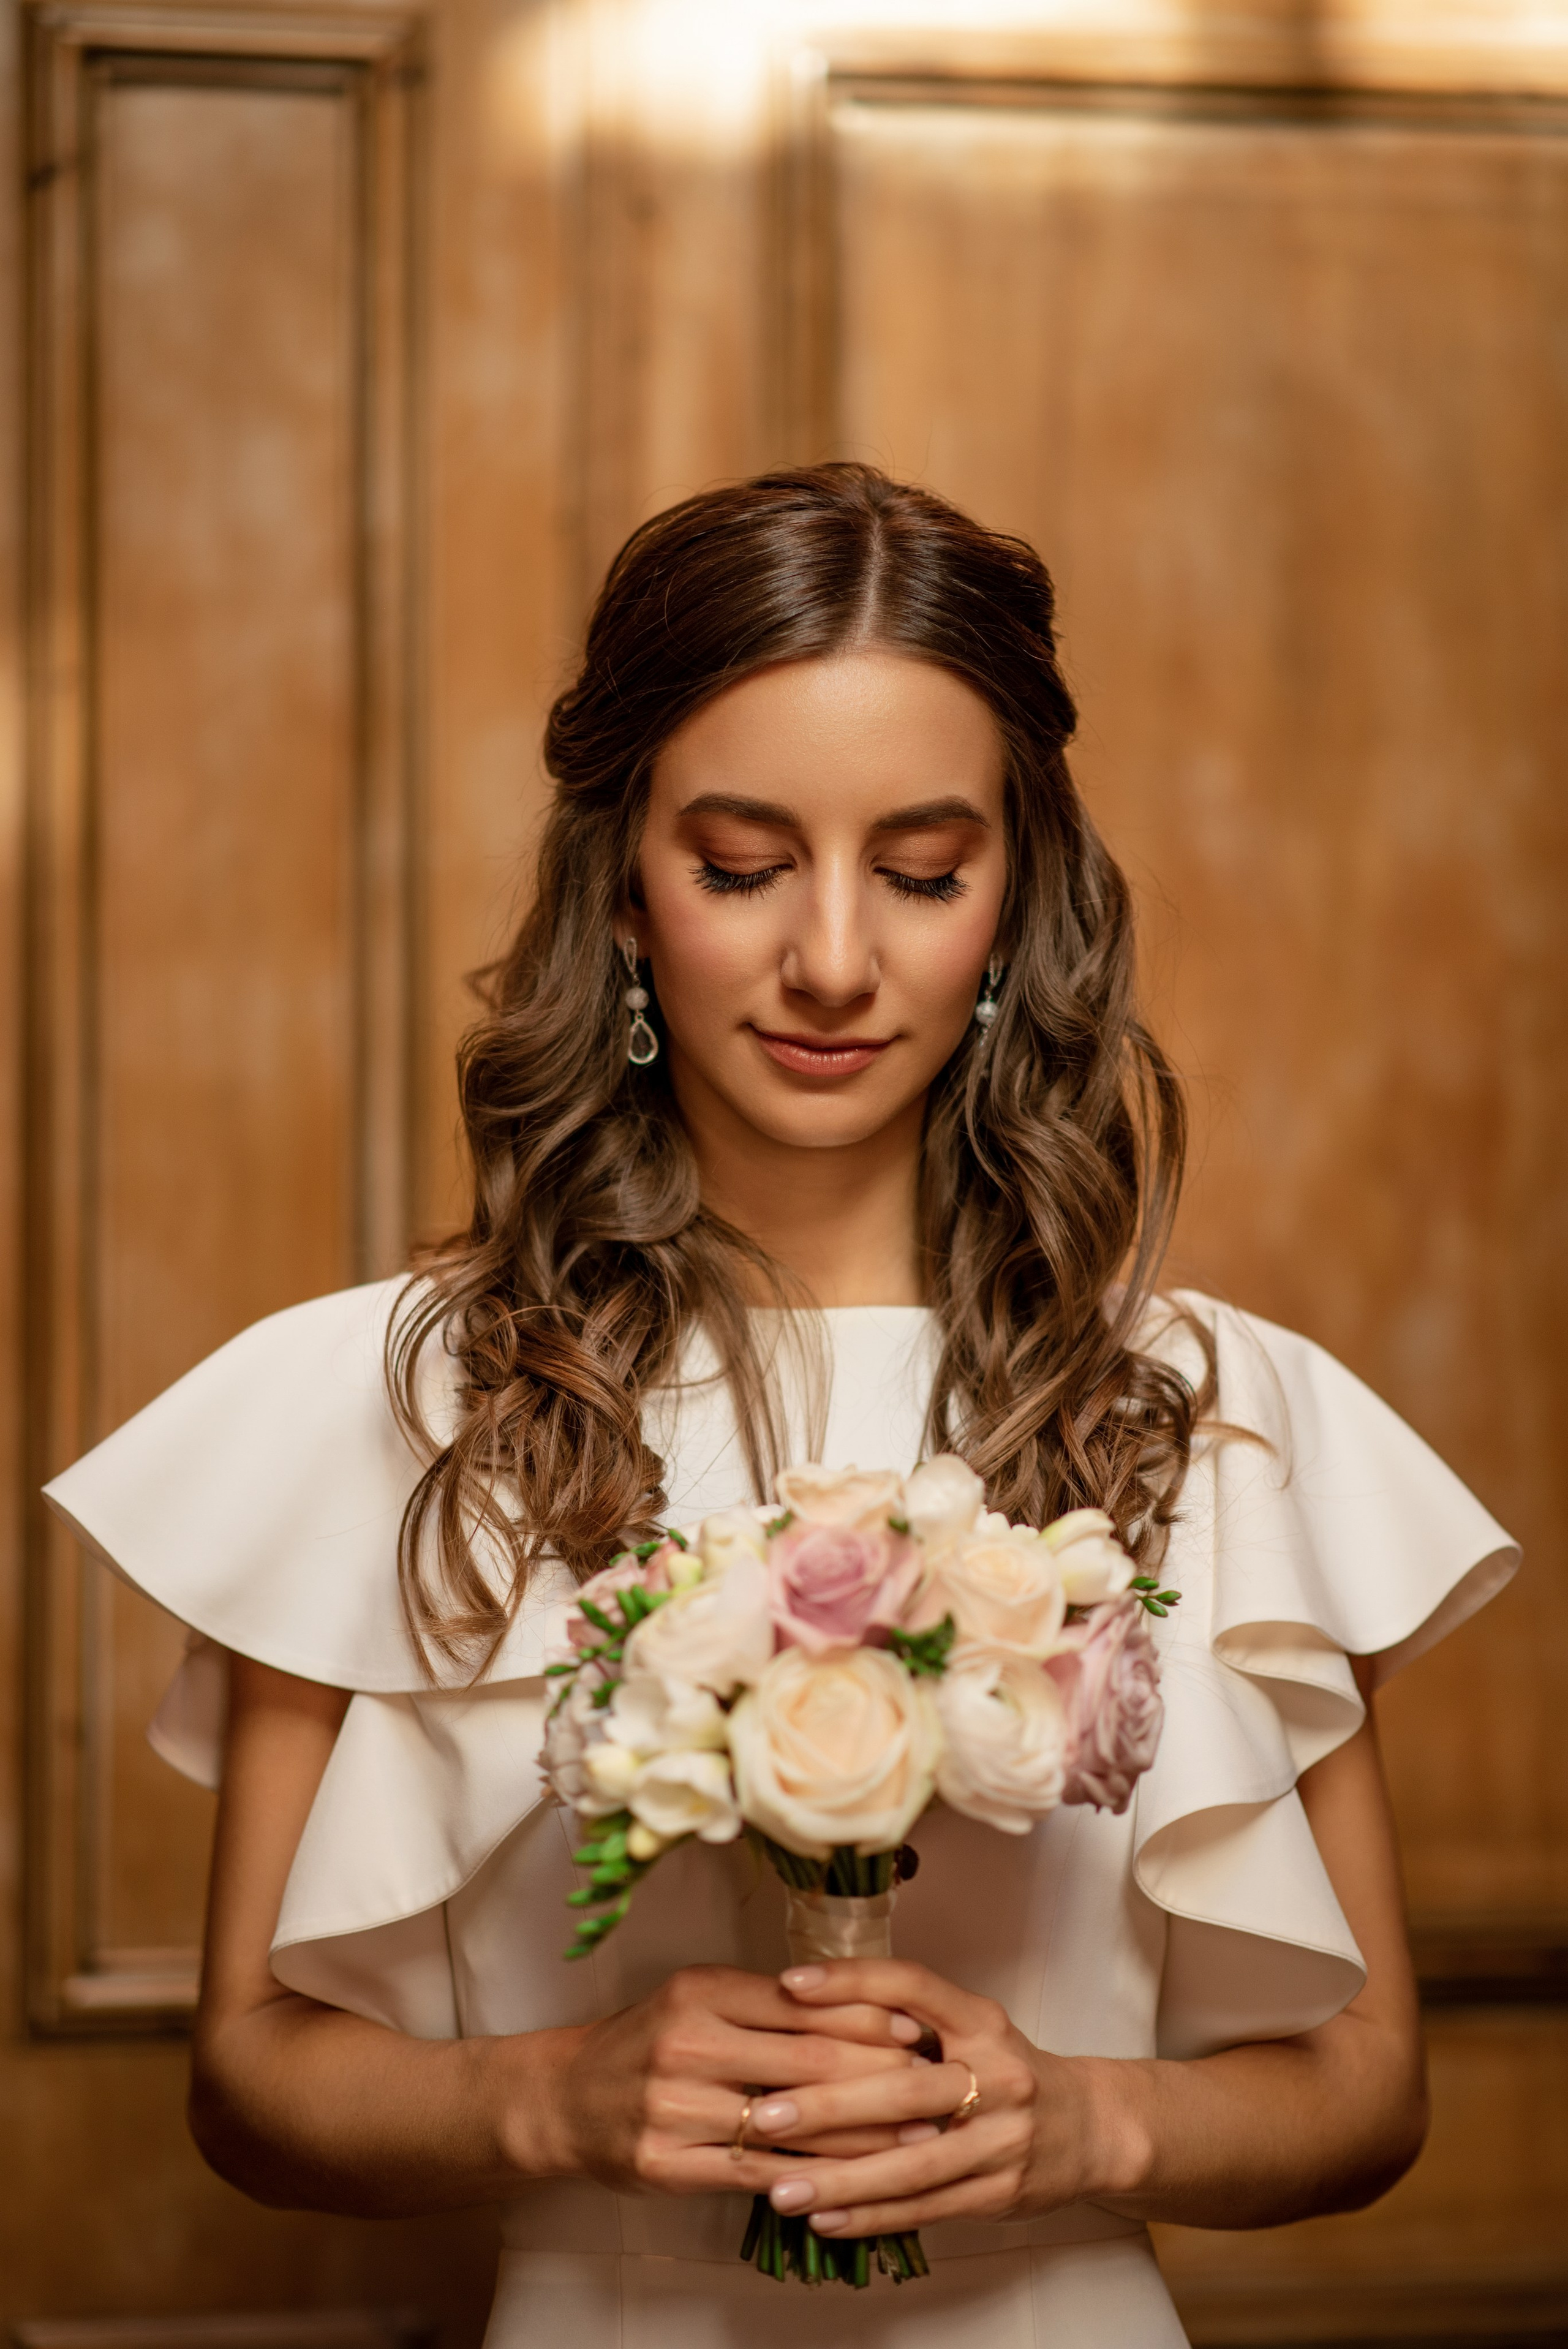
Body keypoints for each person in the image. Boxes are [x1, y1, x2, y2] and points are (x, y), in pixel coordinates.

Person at [47, 465, 1517, 2348]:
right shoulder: (408, 1403)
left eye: (922, 872)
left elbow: (1366, 2086)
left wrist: (1086, 2117)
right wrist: (550, 2089)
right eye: (742, 866)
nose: (833, 956)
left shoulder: (1200, 1411)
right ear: (627, 891)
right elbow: (250, 2075)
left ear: (1016, 902)